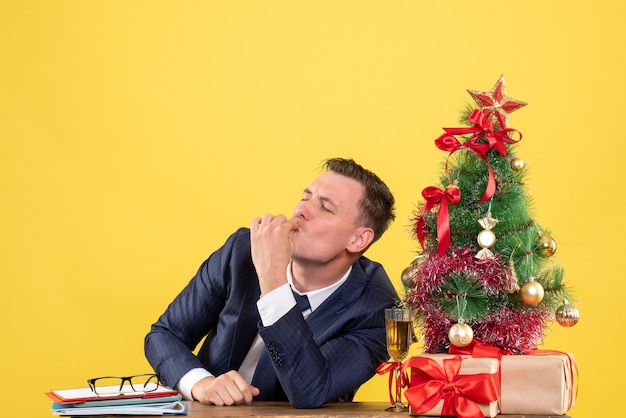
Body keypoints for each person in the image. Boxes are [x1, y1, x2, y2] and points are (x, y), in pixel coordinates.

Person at [144, 158, 398, 409]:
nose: (301, 210)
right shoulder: (242, 251)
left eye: (325, 207)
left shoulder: (378, 309)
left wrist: (273, 283)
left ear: (357, 239)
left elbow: (311, 391)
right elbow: (165, 334)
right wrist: (201, 383)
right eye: (305, 197)